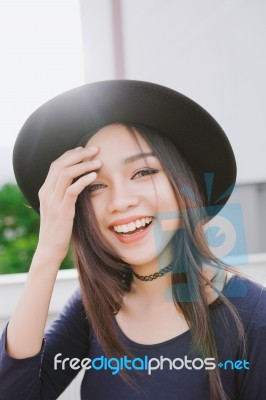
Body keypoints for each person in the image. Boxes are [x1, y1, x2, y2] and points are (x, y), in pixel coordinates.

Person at [0, 80, 265, 400]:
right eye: (95, 186)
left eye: (143, 172)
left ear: (182, 183)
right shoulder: (95, 304)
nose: (121, 201)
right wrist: (48, 254)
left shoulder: (252, 316)